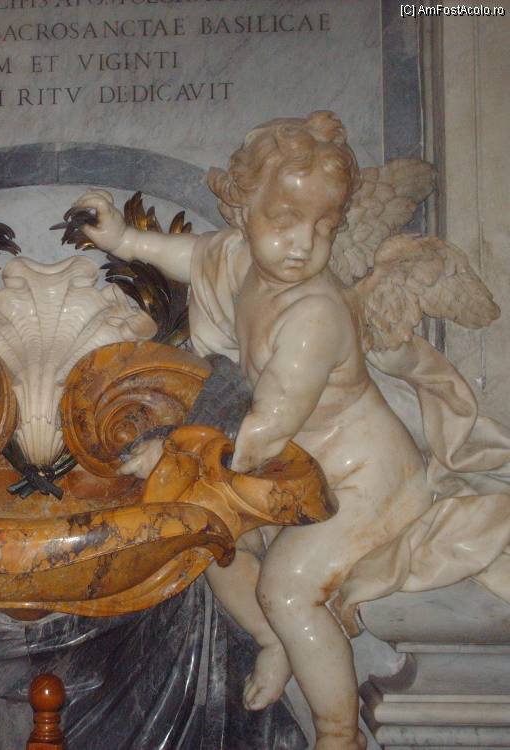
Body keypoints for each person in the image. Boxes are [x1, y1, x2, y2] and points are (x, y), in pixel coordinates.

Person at [72, 112, 432, 749]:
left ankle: (338, 734)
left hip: (363, 475)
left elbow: (265, 427)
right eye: (285, 220)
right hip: (295, 465)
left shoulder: (313, 314)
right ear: (243, 213)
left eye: (324, 227)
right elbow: (193, 255)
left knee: (288, 590)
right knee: (214, 539)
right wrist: (124, 239)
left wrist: (172, 451)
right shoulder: (243, 260)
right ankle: (274, 641)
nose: (303, 244)